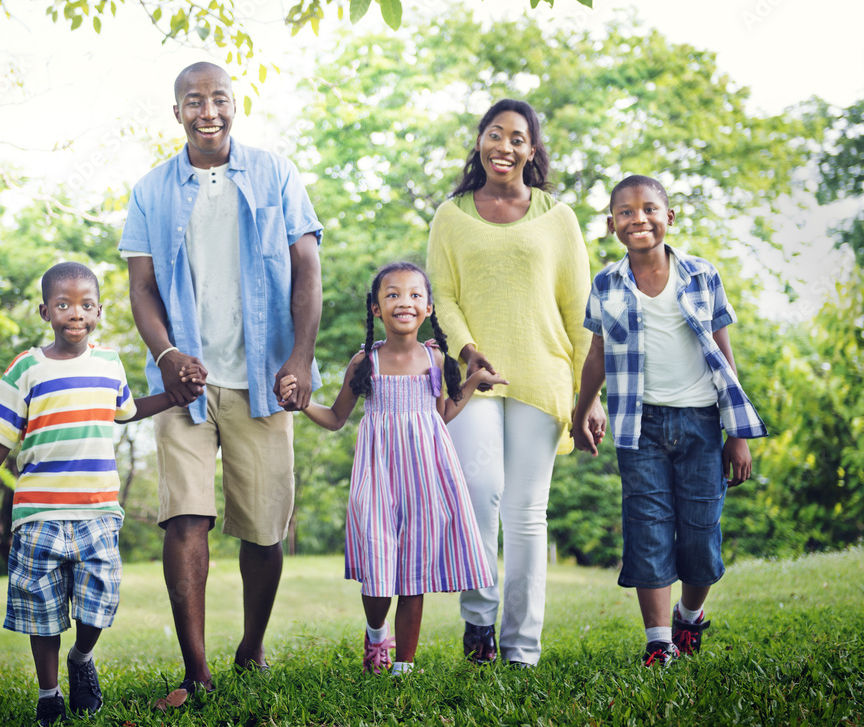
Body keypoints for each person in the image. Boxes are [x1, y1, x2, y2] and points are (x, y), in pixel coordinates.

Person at [117, 61, 323, 700]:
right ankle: (196, 668)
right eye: (193, 101)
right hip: (187, 385)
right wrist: (169, 353)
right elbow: (143, 287)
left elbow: (308, 270)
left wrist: (298, 359)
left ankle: (252, 645)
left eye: (219, 99)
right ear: (176, 110)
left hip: (264, 378)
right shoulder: (152, 190)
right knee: (185, 518)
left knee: (264, 528)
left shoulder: (274, 173)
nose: (208, 111)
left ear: (235, 105)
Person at [0, 262, 191, 726]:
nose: (75, 313)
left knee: (100, 603)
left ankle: (81, 659)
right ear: (45, 311)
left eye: (85, 305)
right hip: (37, 514)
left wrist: (173, 395)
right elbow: (0, 436)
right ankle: (49, 695)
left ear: (99, 311)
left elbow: (126, 410)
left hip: (98, 512)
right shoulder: (27, 367)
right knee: (40, 611)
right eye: (63, 304)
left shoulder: (109, 364)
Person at [426, 99, 604, 668]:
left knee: (527, 511)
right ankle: (479, 621)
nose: (504, 146)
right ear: (480, 141)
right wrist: (466, 351)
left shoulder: (558, 217)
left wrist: (588, 396)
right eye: (494, 134)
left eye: (517, 138)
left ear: (532, 150)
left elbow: (580, 310)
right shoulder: (451, 215)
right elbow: (443, 297)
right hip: (476, 379)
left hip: (544, 376)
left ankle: (522, 646)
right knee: (478, 495)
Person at [571, 175, 767, 666]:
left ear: (669, 217)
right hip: (639, 427)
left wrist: (737, 434)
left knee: (701, 535)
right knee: (648, 529)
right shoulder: (606, 285)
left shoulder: (701, 275)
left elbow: (724, 355)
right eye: (626, 212)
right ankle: (659, 642)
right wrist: (581, 412)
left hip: (703, 424)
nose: (639, 219)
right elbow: (597, 353)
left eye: (649, 209)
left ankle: (689, 615)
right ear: (612, 224)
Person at [279, 262, 503, 675]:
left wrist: (472, 383)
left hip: (427, 477)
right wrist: (300, 403)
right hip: (378, 477)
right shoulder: (367, 361)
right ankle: (376, 632)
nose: (405, 302)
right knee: (380, 567)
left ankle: (404, 669)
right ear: (376, 308)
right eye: (393, 294)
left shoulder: (436, 358)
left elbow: (442, 415)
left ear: (429, 307)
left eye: (416, 295)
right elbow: (334, 418)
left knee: (413, 575)